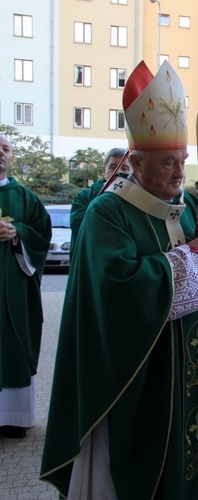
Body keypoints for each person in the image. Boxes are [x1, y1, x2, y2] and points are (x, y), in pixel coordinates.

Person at [41, 60, 198, 499]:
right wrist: (189, 257)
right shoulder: (107, 213)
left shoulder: (188, 205)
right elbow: (115, 290)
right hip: (136, 380)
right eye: (167, 162)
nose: (179, 173)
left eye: (183, 160)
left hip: (194, 373)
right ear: (135, 161)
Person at [0, 133, 52, 439]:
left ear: (12, 157)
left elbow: (41, 233)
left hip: (15, 292)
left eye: (5, 148)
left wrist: (18, 233)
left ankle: (14, 418)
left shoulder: (26, 197)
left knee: (14, 341)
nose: (1, 153)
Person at [70, 147, 131, 246]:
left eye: (124, 168)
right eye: (113, 167)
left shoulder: (138, 198)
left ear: (131, 172)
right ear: (104, 170)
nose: (118, 172)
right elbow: (80, 226)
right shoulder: (84, 197)